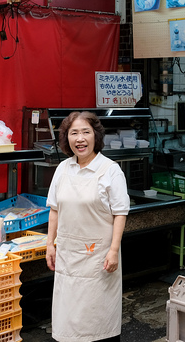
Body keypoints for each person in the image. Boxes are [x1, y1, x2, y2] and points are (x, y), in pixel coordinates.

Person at [46, 111, 130, 342]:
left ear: (96, 136)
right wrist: (50, 244)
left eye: (86, 132)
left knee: (97, 319)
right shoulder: (63, 168)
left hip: (99, 259)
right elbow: (54, 209)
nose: (80, 138)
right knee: (67, 318)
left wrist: (113, 251)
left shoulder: (110, 170)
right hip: (67, 254)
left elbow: (120, 212)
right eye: (74, 133)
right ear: (66, 138)